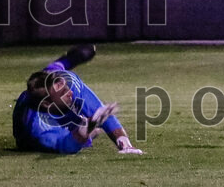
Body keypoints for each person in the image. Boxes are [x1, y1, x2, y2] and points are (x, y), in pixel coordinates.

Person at [12, 44, 144, 155]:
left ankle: (63, 62)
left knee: (51, 74)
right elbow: (65, 145)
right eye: (63, 92)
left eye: (66, 87)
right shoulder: (39, 126)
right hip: (29, 135)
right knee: (84, 131)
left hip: (53, 99)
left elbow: (100, 111)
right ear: (47, 103)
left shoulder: (69, 82)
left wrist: (125, 143)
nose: (70, 92)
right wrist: (85, 131)